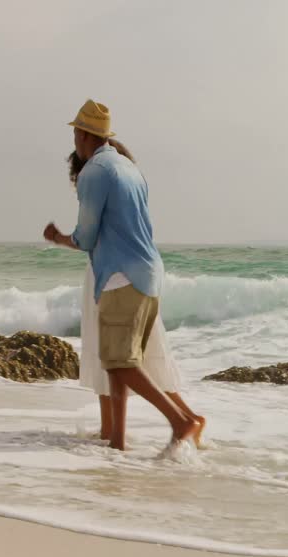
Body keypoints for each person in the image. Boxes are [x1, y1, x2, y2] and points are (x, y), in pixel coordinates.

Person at [43, 99, 200, 451]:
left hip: (119, 275)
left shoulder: (94, 172)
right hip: (150, 272)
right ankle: (117, 442)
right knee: (117, 363)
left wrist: (56, 238)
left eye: (75, 134)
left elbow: (86, 237)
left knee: (119, 362)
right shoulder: (131, 169)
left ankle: (180, 421)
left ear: (82, 135)